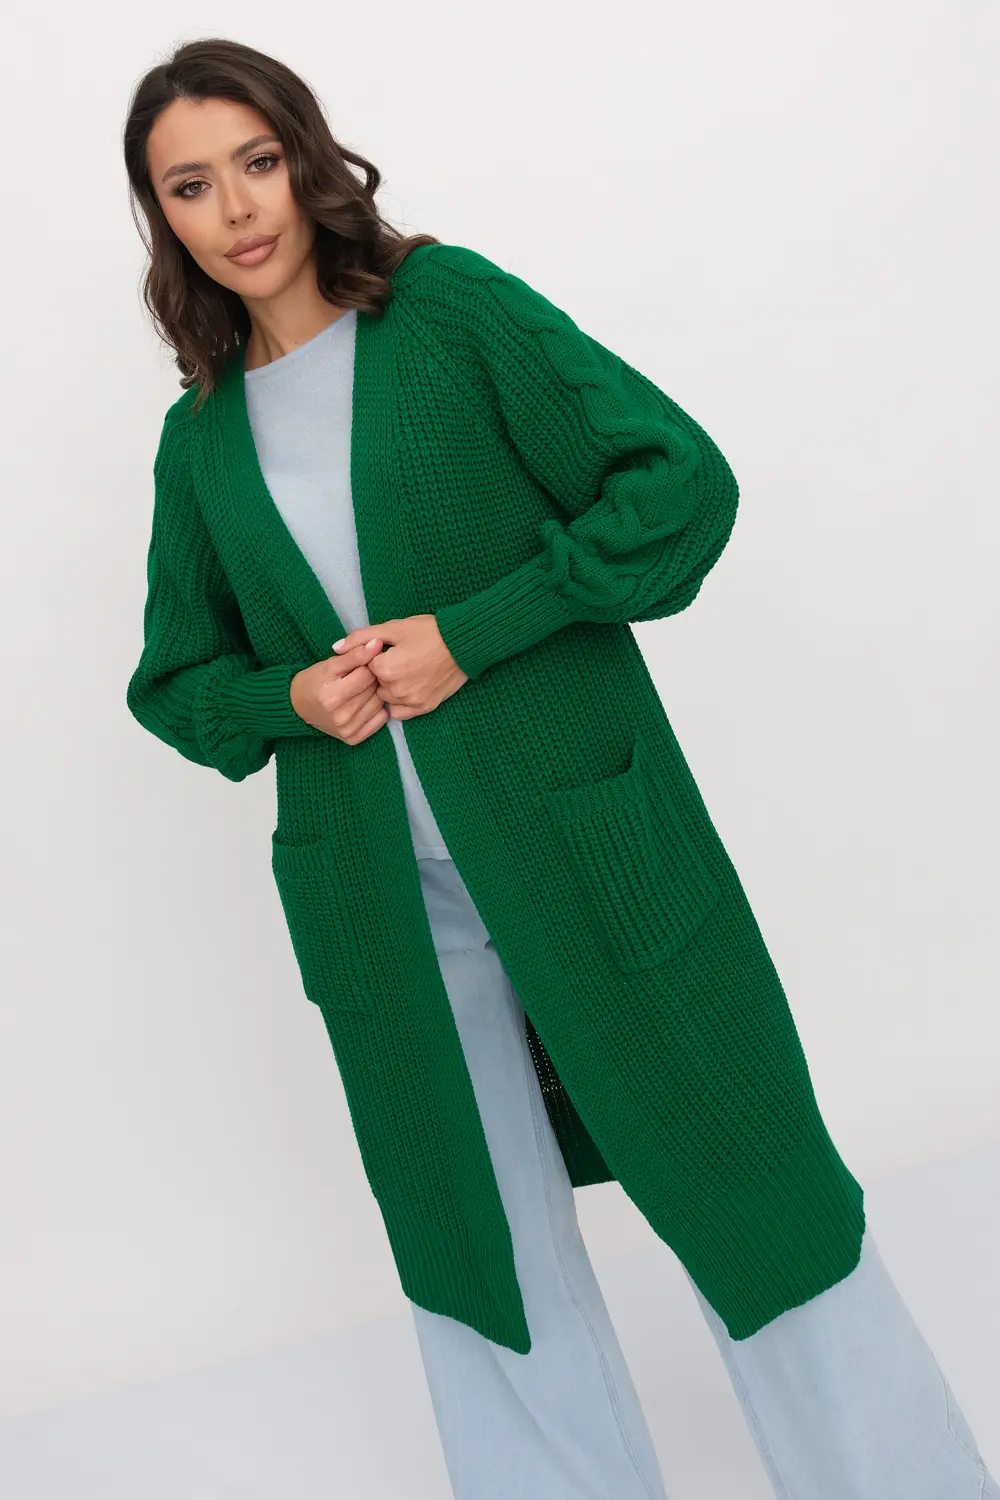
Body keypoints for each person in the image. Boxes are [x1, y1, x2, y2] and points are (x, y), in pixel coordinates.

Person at [123, 35, 997, 1500]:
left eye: (257, 161)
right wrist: (292, 696)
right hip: (382, 906)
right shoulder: (201, 440)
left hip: (588, 847)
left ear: (308, 157)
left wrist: (474, 634)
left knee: (751, 1183)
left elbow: (677, 482)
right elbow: (174, 681)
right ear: (165, 219)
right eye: (191, 185)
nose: (238, 208)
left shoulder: (448, 313)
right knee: (477, 1245)